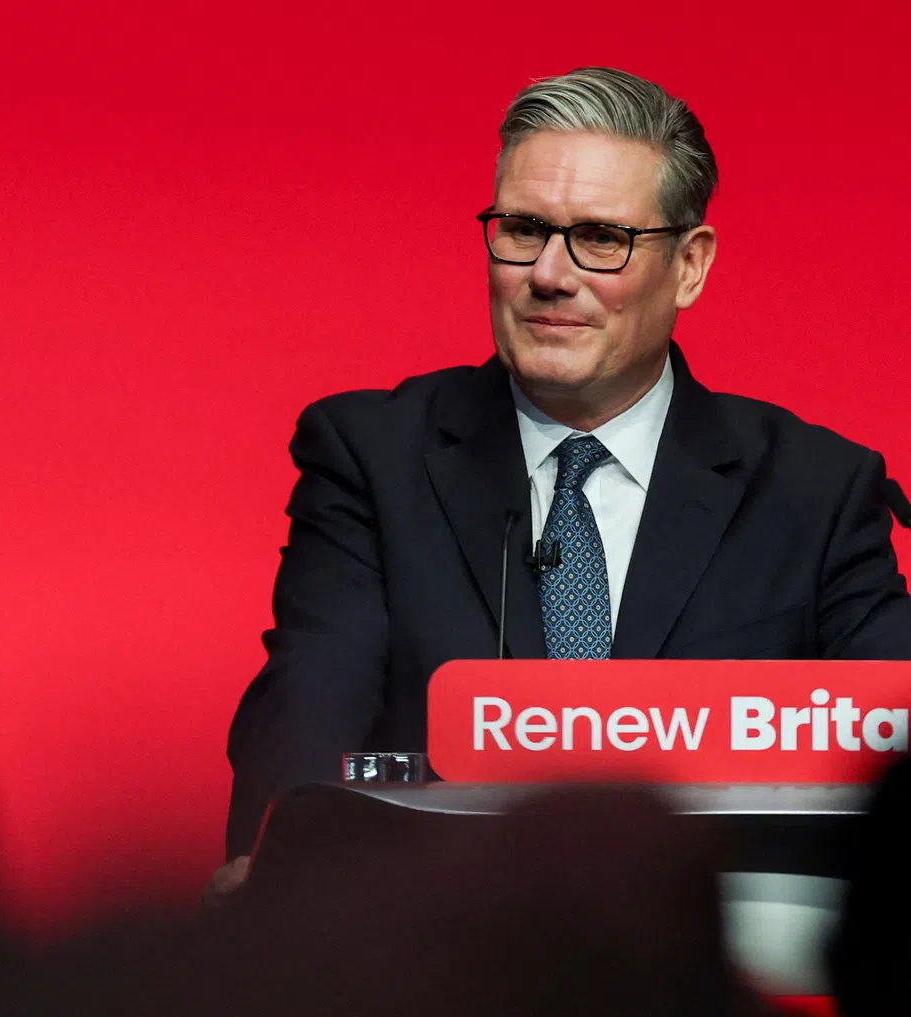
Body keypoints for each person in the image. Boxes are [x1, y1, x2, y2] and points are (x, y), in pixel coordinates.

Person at [215, 66, 911, 886]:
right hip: (432, 969)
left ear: (690, 265)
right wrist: (267, 869)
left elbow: (892, 737)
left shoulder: (815, 492)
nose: (548, 273)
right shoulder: (373, 455)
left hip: (706, 979)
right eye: (523, 229)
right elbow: (314, 695)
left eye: (601, 239)